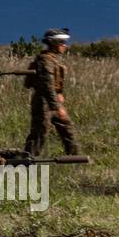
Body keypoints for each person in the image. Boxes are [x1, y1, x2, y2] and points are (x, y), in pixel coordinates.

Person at [24, 28, 79, 156]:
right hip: (43, 102)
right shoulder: (45, 60)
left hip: (51, 100)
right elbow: (47, 85)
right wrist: (56, 107)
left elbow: (53, 84)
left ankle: (74, 159)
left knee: (67, 128)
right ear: (53, 44)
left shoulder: (53, 59)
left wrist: (59, 94)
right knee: (39, 132)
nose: (64, 45)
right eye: (61, 42)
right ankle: (27, 160)